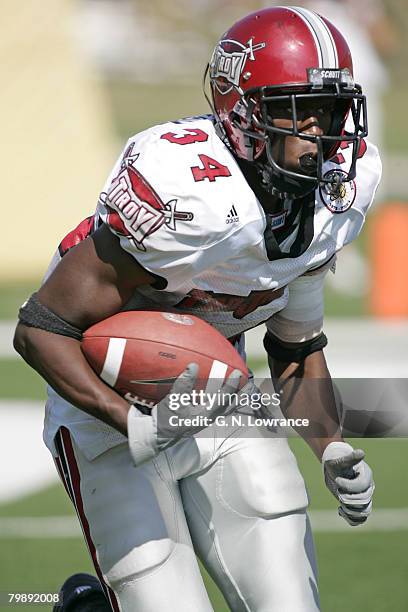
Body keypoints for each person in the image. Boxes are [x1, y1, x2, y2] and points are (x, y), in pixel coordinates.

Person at [14, 6, 378, 611]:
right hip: (109, 415)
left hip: (219, 392)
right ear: (243, 112)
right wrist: (129, 422)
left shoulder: (335, 196)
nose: (321, 131)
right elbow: (41, 328)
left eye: (333, 109)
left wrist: (331, 443)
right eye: (297, 108)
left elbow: (294, 345)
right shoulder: (188, 191)